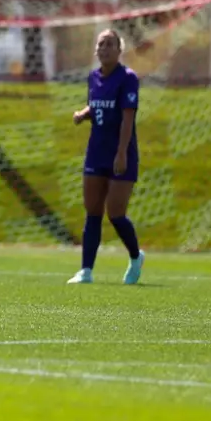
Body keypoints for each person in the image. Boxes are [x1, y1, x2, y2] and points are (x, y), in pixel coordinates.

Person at [68, 28, 144, 285]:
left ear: (119, 50)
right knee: (92, 212)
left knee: (116, 212)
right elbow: (99, 105)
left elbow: (127, 117)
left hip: (120, 153)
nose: (104, 48)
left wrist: (122, 153)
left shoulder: (128, 78)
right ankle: (86, 270)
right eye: (101, 44)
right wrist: (84, 113)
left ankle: (135, 256)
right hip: (96, 152)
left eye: (110, 44)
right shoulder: (93, 77)